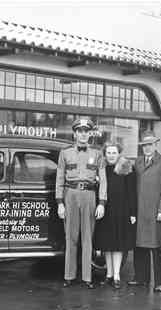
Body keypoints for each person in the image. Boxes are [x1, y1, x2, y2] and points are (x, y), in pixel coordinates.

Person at [56, 117, 107, 289]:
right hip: (70, 195)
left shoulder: (97, 153)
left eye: (86, 131)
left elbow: (104, 181)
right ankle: (69, 275)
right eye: (80, 131)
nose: (83, 135)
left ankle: (87, 277)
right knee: (70, 237)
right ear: (75, 133)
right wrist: (60, 203)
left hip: (89, 196)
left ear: (90, 134)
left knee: (87, 237)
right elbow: (59, 179)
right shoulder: (65, 153)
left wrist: (102, 203)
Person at [128, 131, 161, 292]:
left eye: (150, 145)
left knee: (157, 247)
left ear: (156, 145)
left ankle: (159, 282)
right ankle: (141, 278)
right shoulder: (138, 162)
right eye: (144, 145)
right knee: (139, 245)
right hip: (140, 212)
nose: (147, 148)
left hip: (156, 211)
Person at [94, 142, 137, 289]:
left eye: (114, 152)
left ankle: (117, 275)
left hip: (121, 211)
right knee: (107, 244)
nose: (111, 155)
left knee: (117, 245)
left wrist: (132, 213)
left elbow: (132, 192)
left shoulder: (126, 168)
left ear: (119, 153)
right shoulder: (101, 168)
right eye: (108, 153)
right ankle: (109, 274)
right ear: (105, 154)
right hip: (106, 210)